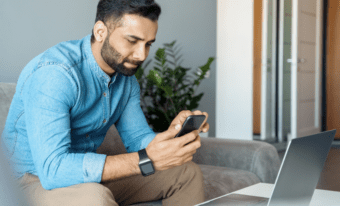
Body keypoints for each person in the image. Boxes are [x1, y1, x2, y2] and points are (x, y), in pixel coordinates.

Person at [0, 0, 209, 205]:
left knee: (185, 174)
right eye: (132, 41)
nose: (141, 55)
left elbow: (138, 139)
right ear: (100, 32)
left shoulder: (125, 80)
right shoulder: (55, 74)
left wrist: (170, 137)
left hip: (87, 179)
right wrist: (145, 160)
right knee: (94, 198)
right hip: (31, 181)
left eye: (148, 44)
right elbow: (53, 170)